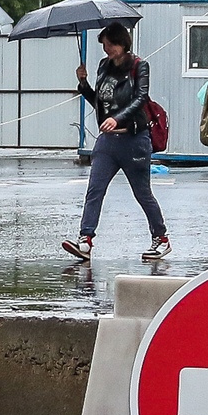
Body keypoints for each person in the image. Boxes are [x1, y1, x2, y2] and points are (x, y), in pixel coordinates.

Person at [65, 22, 171, 261]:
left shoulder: (139, 66)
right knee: (95, 189)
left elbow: (140, 98)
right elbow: (99, 103)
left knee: (142, 192)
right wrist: (83, 85)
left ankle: (161, 237)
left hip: (134, 138)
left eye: (110, 44)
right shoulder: (104, 66)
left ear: (123, 44)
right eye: (104, 45)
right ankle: (85, 239)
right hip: (107, 141)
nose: (107, 50)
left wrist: (117, 118)